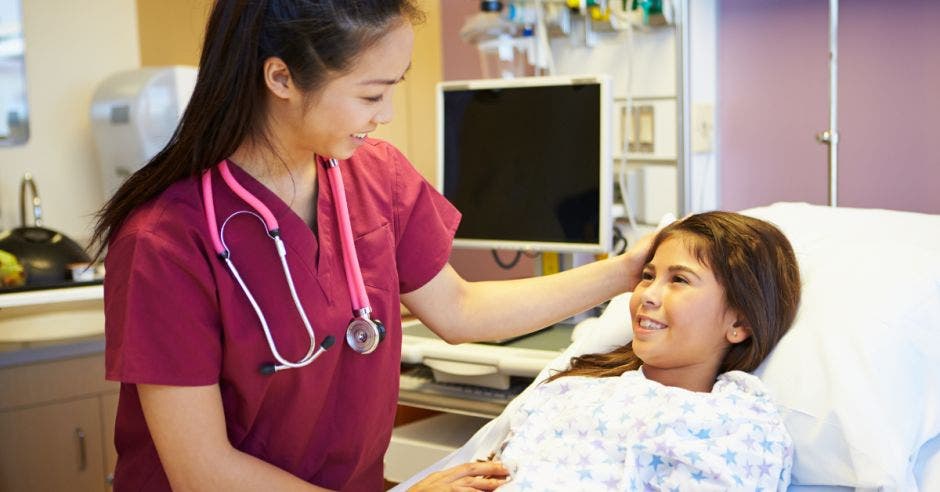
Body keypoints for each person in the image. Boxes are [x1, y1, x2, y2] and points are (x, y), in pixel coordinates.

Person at [90, 1, 651, 490]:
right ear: (282, 78)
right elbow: (203, 473)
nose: (384, 115)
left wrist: (625, 270)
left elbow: (459, 310)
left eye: (393, 89)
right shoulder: (164, 240)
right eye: (371, 94)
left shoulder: (376, 177)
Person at [483, 212, 802, 490]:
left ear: (740, 322)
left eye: (679, 279)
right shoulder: (571, 389)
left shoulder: (735, 427)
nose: (647, 294)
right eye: (647, 276)